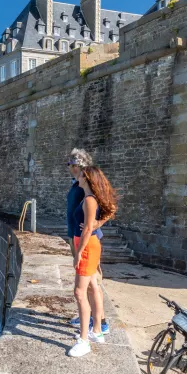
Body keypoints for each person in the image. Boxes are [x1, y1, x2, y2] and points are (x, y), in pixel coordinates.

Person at [68, 165, 118, 358]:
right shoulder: (90, 198)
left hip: (87, 246)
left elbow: (87, 229)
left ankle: (84, 341)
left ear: (86, 178)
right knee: (92, 287)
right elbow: (95, 222)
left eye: (80, 174)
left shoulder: (89, 199)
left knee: (79, 292)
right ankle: (96, 331)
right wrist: (98, 223)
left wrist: (78, 252)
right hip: (89, 244)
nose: (77, 176)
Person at [66, 149, 109, 335]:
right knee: (88, 283)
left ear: (80, 166)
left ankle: (101, 323)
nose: (70, 168)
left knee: (92, 283)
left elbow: (110, 207)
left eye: (72, 165)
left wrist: (97, 223)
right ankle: (90, 317)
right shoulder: (77, 184)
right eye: (70, 165)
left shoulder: (89, 186)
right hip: (75, 234)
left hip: (88, 238)